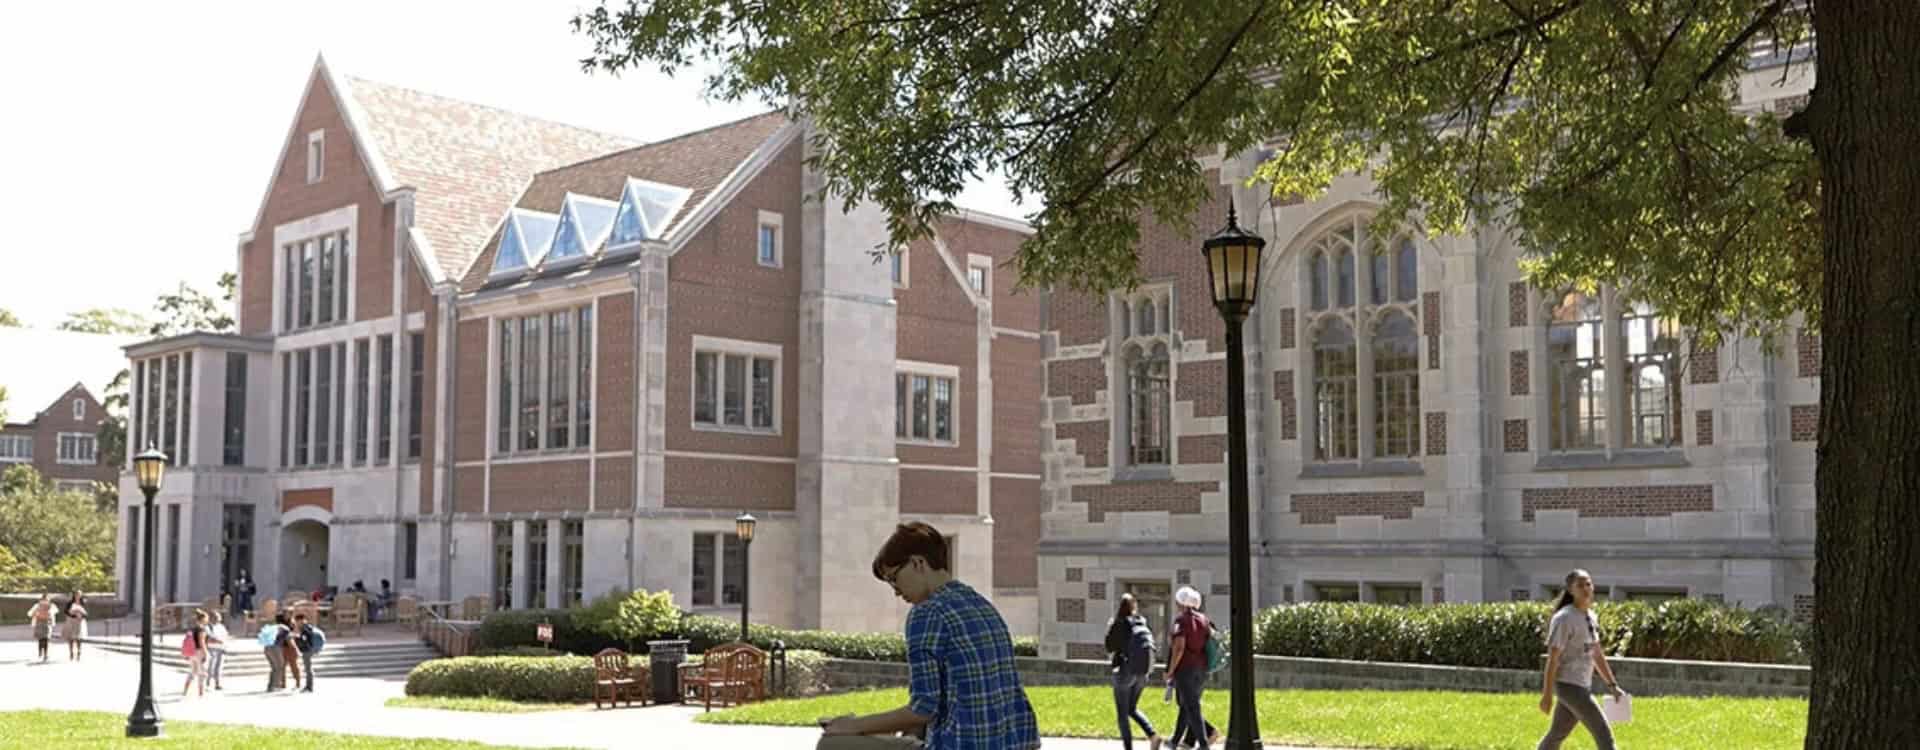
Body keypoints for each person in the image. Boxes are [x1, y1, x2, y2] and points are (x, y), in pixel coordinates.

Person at [818, 522, 1039, 750]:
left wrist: (852, 726)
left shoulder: (927, 613)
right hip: (1017, 744)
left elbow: (923, 708)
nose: (895, 591)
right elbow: (932, 709)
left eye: (894, 578)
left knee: (833, 743)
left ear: (917, 563)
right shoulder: (980, 604)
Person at [1537, 569, 1624, 750]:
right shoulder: (1564, 618)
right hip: (1569, 686)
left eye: (1588, 584)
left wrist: (1612, 685)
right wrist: (1547, 695)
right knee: (1604, 735)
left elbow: (1596, 653)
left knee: (1556, 735)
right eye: (1580, 585)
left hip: (1582, 684)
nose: (1586, 588)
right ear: (1570, 590)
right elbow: (1553, 660)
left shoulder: (1591, 616)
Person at [1104, 594, 1161, 750]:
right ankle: (1153, 735)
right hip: (1142, 672)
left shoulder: (1119, 624)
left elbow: (1109, 647)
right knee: (1132, 709)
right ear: (1134, 607)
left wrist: (1110, 629)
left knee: (1123, 714)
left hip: (1125, 671)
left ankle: (1128, 748)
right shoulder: (1141, 622)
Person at [1165, 586, 1216, 750]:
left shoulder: (1181, 621)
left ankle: (1203, 744)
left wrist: (1170, 670)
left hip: (1185, 669)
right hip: (1201, 669)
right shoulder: (1204, 620)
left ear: (1181, 602)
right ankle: (1175, 741)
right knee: (1186, 705)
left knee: (1192, 707)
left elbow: (1179, 648)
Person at [180, 610, 210, 698]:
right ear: (203, 619)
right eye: (206, 618)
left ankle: (185, 691)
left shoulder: (193, 629)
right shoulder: (202, 629)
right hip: (199, 651)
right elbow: (202, 642)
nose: (207, 620)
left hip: (192, 652)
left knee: (192, 672)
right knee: (202, 673)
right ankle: (201, 693)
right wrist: (206, 653)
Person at [259, 613, 291, 691]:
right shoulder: (285, 628)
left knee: (274, 667)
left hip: (267, 648)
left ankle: (271, 685)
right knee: (279, 667)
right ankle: (275, 685)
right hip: (275, 649)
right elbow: (288, 640)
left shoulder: (273, 627)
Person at [293, 612, 322, 693]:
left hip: (307, 650)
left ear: (300, 620)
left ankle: (309, 686)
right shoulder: (307, 627)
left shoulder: (305, 628)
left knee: (308, 668)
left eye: (296, 621)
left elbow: (304, 639)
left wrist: (297, 638)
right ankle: (308, 685)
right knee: (308, 668)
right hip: (308, 649)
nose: (296, 623)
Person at [28, 593, 56, 663]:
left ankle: (46, 654)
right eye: (44, 599)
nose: (45, 601)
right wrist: (36, 613)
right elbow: (30, 613)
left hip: (47, 623)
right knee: (40, 639)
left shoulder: (51, 606)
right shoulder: (37, 606)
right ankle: (40, 653)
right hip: (39, 622)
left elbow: (53, 613)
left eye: (46, 599)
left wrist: (49, 614)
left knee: (46, 638)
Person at [207, 611, 231, 690]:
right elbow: (208, 638)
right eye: (216, 617)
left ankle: (218, 683)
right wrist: (218, 641)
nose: (218, 619)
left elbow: (225, 636)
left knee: (219, 667)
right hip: (212, 648)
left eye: (219, 617)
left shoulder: (221, 627)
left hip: (221, 648)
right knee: (211, 667)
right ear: (212, 618)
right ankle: (208, 683)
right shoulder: (208, 627)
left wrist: (225, 646)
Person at [62, 591, 88, 661]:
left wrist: (81, 615)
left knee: (78, 638)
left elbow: (86, 613)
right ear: (74, 595)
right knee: (71, 638)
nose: (78, 596)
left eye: (79, 595)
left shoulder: (83, 603)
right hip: (71, 621)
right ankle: (71, 652)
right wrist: (73, 615)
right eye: (76, 594)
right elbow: (65, 611)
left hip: (79, 622)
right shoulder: (70, 603)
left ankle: (79, 652)